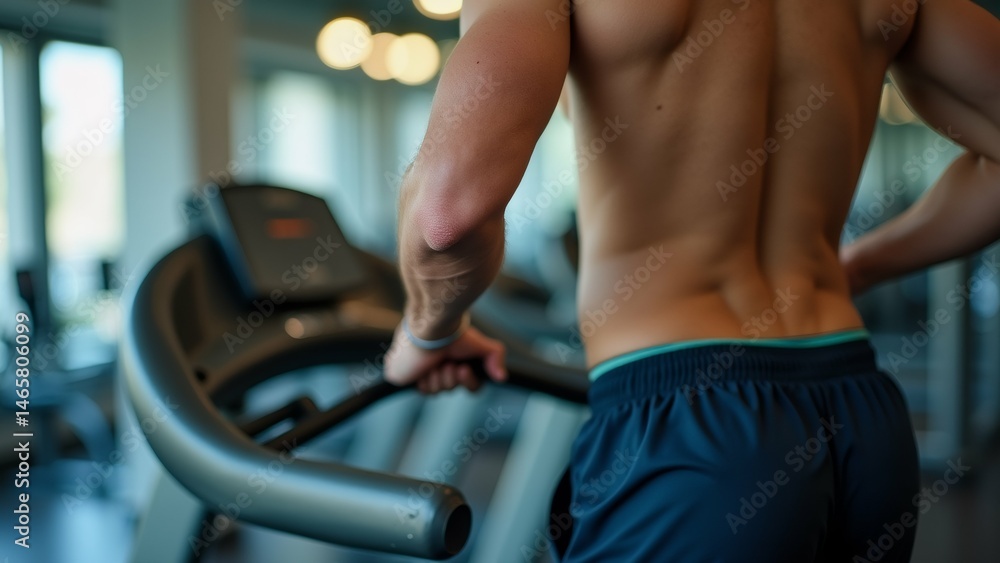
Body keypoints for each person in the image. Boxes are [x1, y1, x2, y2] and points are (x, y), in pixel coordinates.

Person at [384, 0, 1000, 560]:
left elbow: (449, 211)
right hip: (863, 417)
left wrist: (428, 332)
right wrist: (856, 267)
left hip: (687, 428)